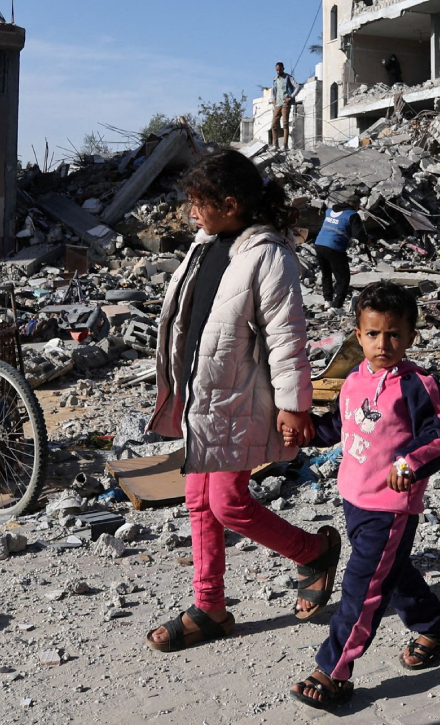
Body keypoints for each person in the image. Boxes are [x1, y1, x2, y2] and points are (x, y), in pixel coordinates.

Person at [145, 150, 342, 652]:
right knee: (198, 500)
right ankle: (209, 606)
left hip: (242, 397)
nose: (191, 213)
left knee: (228, 502)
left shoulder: (268, 255)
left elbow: (287, 336)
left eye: (199, 203)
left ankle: (313, 551)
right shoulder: (205, 245)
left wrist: (294, 405)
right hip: (203, 396)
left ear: (230, 205)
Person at [287, 282, 440, 711]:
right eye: (373, 334)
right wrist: (307, 431)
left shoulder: (417, 384)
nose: (383, 344)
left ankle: (333, 671)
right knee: (391, 572)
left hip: (390, 506)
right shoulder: (353, 380)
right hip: (354, 498)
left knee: (361, 588)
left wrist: (408, 464)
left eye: (394, 334)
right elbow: (340, 427)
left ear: (411, 336)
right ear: (358, 335)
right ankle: (435, 627)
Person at [313, 195, 359, 310]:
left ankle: (327, 300)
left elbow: (321, 227)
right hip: (334, 246)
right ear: (355, 205)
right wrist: (368, 240)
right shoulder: (352, 215)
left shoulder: (329, 211)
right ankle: (337, 306)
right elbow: (358, 234)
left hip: (319, 244)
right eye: (358, 206)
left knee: (326, 273)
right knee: (343, 277)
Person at [269, 63, 297, 149]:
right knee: (274, 125)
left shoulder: (288, 77)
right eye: (277, 70)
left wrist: (291, 97)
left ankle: (285, 145)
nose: (278, 71)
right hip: (277, 104)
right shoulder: (275, 79)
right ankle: (275, 145)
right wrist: (273, 99)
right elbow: (273, 91)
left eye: (279, 69)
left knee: (285, 124)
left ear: (283, 68)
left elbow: (298, 86)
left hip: (285, 104)